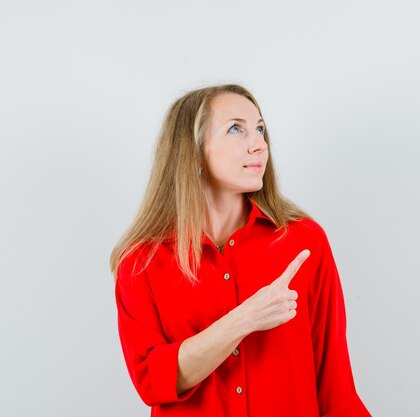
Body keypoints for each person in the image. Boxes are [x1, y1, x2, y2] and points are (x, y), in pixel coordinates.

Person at [109, 83, 372, 417]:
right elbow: (152, 381)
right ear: (192, 151)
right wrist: (243, 320)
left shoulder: (304, 241)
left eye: (260, 129)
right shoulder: (142, 262)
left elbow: (335, 384)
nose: (259, 145)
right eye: (237, 129)